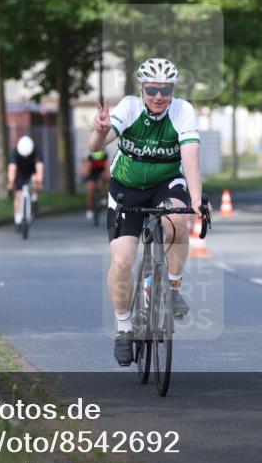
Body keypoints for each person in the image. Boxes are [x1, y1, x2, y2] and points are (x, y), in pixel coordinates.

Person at [87, 57, 202, 366]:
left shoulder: (182, 111)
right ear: (142, 88)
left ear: (173, 89)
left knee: (177, 220)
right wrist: (99, 131)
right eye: (152, 89)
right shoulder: (129, 108)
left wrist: (197, 201)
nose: (159, 96)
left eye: (165, 89)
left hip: (166, 184)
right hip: (126, 187)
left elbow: (190, 158)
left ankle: (172, 286)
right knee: (122, 260)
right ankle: (124, 327)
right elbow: (95, 147)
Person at [8, 135, 43, 230]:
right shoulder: (14, 153)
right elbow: (12, 169)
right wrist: (11, 182)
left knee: (36, 182)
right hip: (20, 174)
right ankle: (17, 219)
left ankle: (35, 199)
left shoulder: (36, 152)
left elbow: (39, 168)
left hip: (32, 172)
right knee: (18, 195)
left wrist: (39, 182)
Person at [82, 148, 110, 220]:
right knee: (90, 189)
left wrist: (108, 176)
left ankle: (103, 198)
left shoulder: (104, 155)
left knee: (103, 183)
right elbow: (87, 168)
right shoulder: (91, 156)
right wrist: (85, 177)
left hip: (101, 172)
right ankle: (90, 209)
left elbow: (107, 168)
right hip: (93, 173)